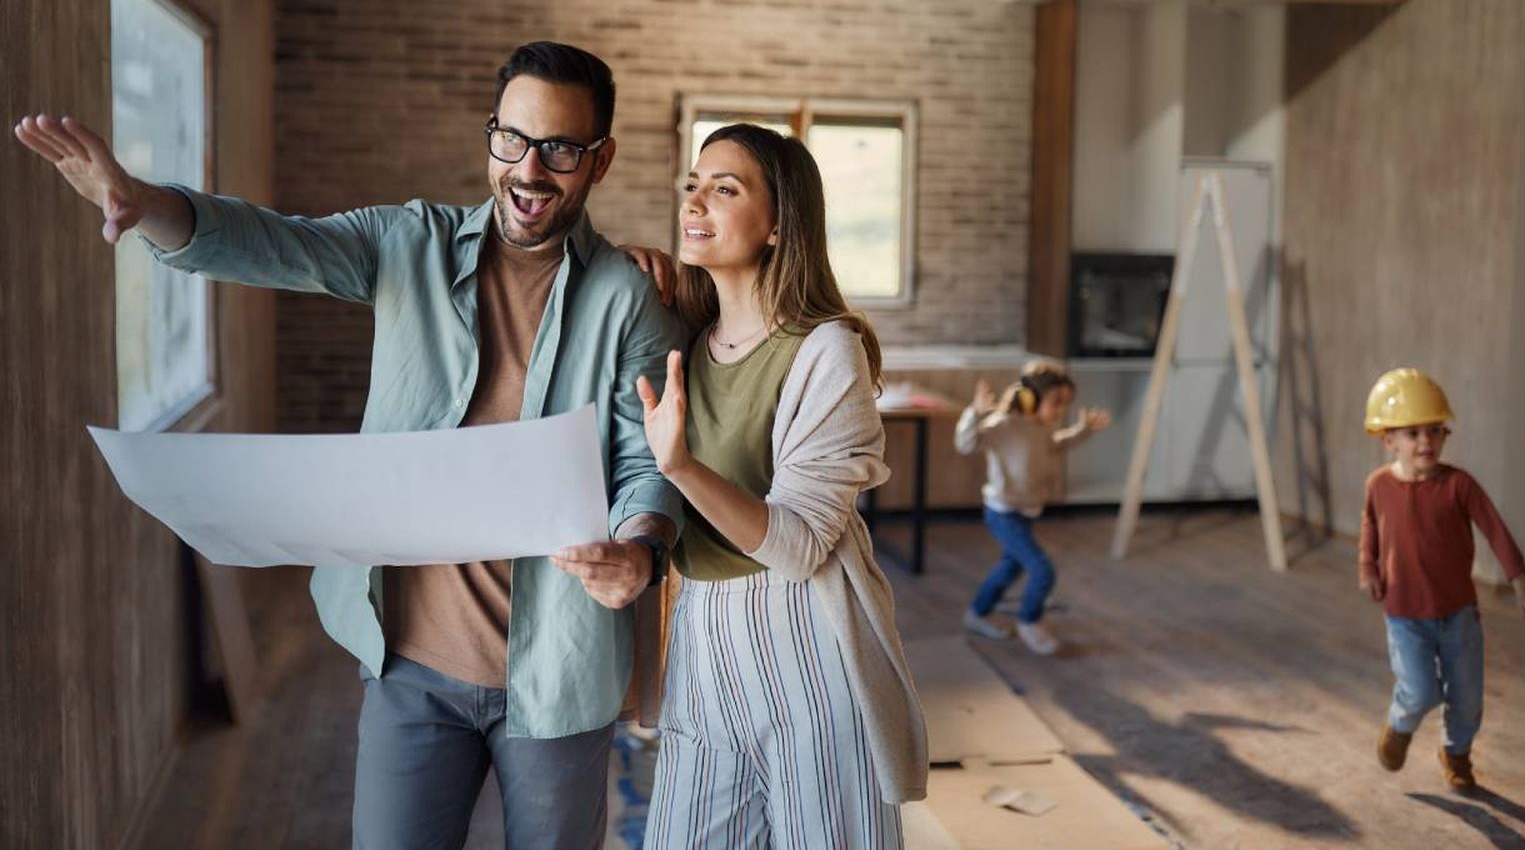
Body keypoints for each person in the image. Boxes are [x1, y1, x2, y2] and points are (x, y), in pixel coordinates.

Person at [15, 41, 685, 849]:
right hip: (411, 669)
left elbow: (647, 457)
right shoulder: (409, 243)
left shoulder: (628, 298)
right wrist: (144, 201)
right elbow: (271, 243)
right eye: (511, 138)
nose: (529, 170)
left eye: (560, 149)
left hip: (560, 675)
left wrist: (640, 552)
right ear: (490, 138)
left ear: (601, 160)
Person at [632, 124, 927, 848]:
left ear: (778, 225)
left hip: (804, 639)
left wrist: (682, 468)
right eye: (693, 184)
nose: (696, 200)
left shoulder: (828, 350)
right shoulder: (683, 342)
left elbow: (797, 547)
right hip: (700, 633)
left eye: (725, 189)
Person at [1360, 367, 1525, 794]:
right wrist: (1368, 570)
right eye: (1412, 433)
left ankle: (1456, 753)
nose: (1425, 441)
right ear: (1387, 439)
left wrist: (1520, 583)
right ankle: (1399, 723)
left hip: (1458, 614)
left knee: (1467, 698)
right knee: (1420, 691)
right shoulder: (1378, 486)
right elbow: (1370, 529)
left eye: (1435, 430)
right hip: (1405, 616)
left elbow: (1496, 530)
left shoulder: (1459, 485)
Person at [955, 360, 1111, 655]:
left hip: (1024, 512)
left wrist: (1083, 430)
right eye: (1056, 402)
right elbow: (966, 443)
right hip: (1002, 511)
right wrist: (974, 413)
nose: (1061, 411)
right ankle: (1030, 620)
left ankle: (977, 614)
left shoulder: (1041, 428)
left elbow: (1056, 444)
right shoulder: (1003, 425)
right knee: (1042, 569)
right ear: (1030, 398)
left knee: (1010, 568)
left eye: (1065, 404)